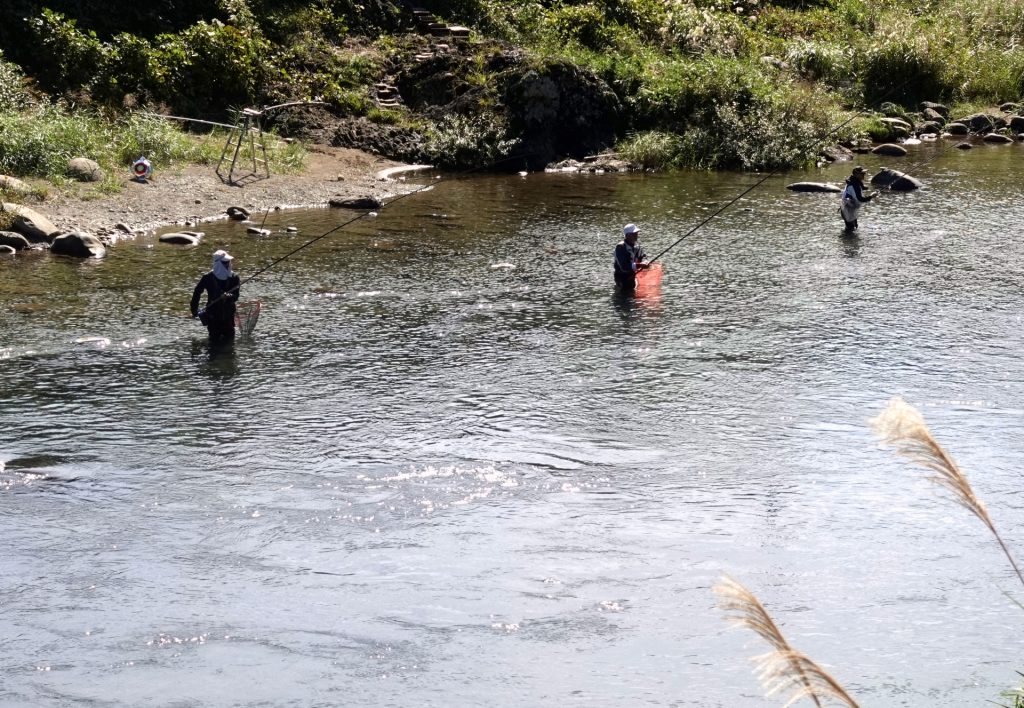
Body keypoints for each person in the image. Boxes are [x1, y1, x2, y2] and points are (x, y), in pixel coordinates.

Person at [190, 249, 240, 343]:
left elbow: (236, 296)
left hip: (228, 316)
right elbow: (197, 292)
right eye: (225, 262)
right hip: (213, 316)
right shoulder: (207, 277)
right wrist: (194, 310)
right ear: (218, 263)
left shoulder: (234, 277)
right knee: (213, 343)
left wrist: (229, 297)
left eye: (228, 261)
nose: (228, 264)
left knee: (229, 343)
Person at [839, 165, 878, 234]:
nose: (864, 175)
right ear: (856, 174)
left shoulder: (853, 181)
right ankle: (848, 243)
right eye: (862, 174)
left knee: (854, 228)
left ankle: (849, 243)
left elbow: (859, 188)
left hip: (849, 209)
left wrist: (864, 188)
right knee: (850, 231)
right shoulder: (854, 185)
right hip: (847, 211)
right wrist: (871, 196)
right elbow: (860, 199)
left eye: (864, 173)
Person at [613, 223, 650, 292]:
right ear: (627, 235)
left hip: (632, 276)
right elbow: (624, 267)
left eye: (636, 233)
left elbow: (643, 256)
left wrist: (645, 262)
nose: (636, 235)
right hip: (621, 278)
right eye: (634, 233)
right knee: (624, 297)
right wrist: (640, 265)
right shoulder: (620, 247)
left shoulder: (637, 247)